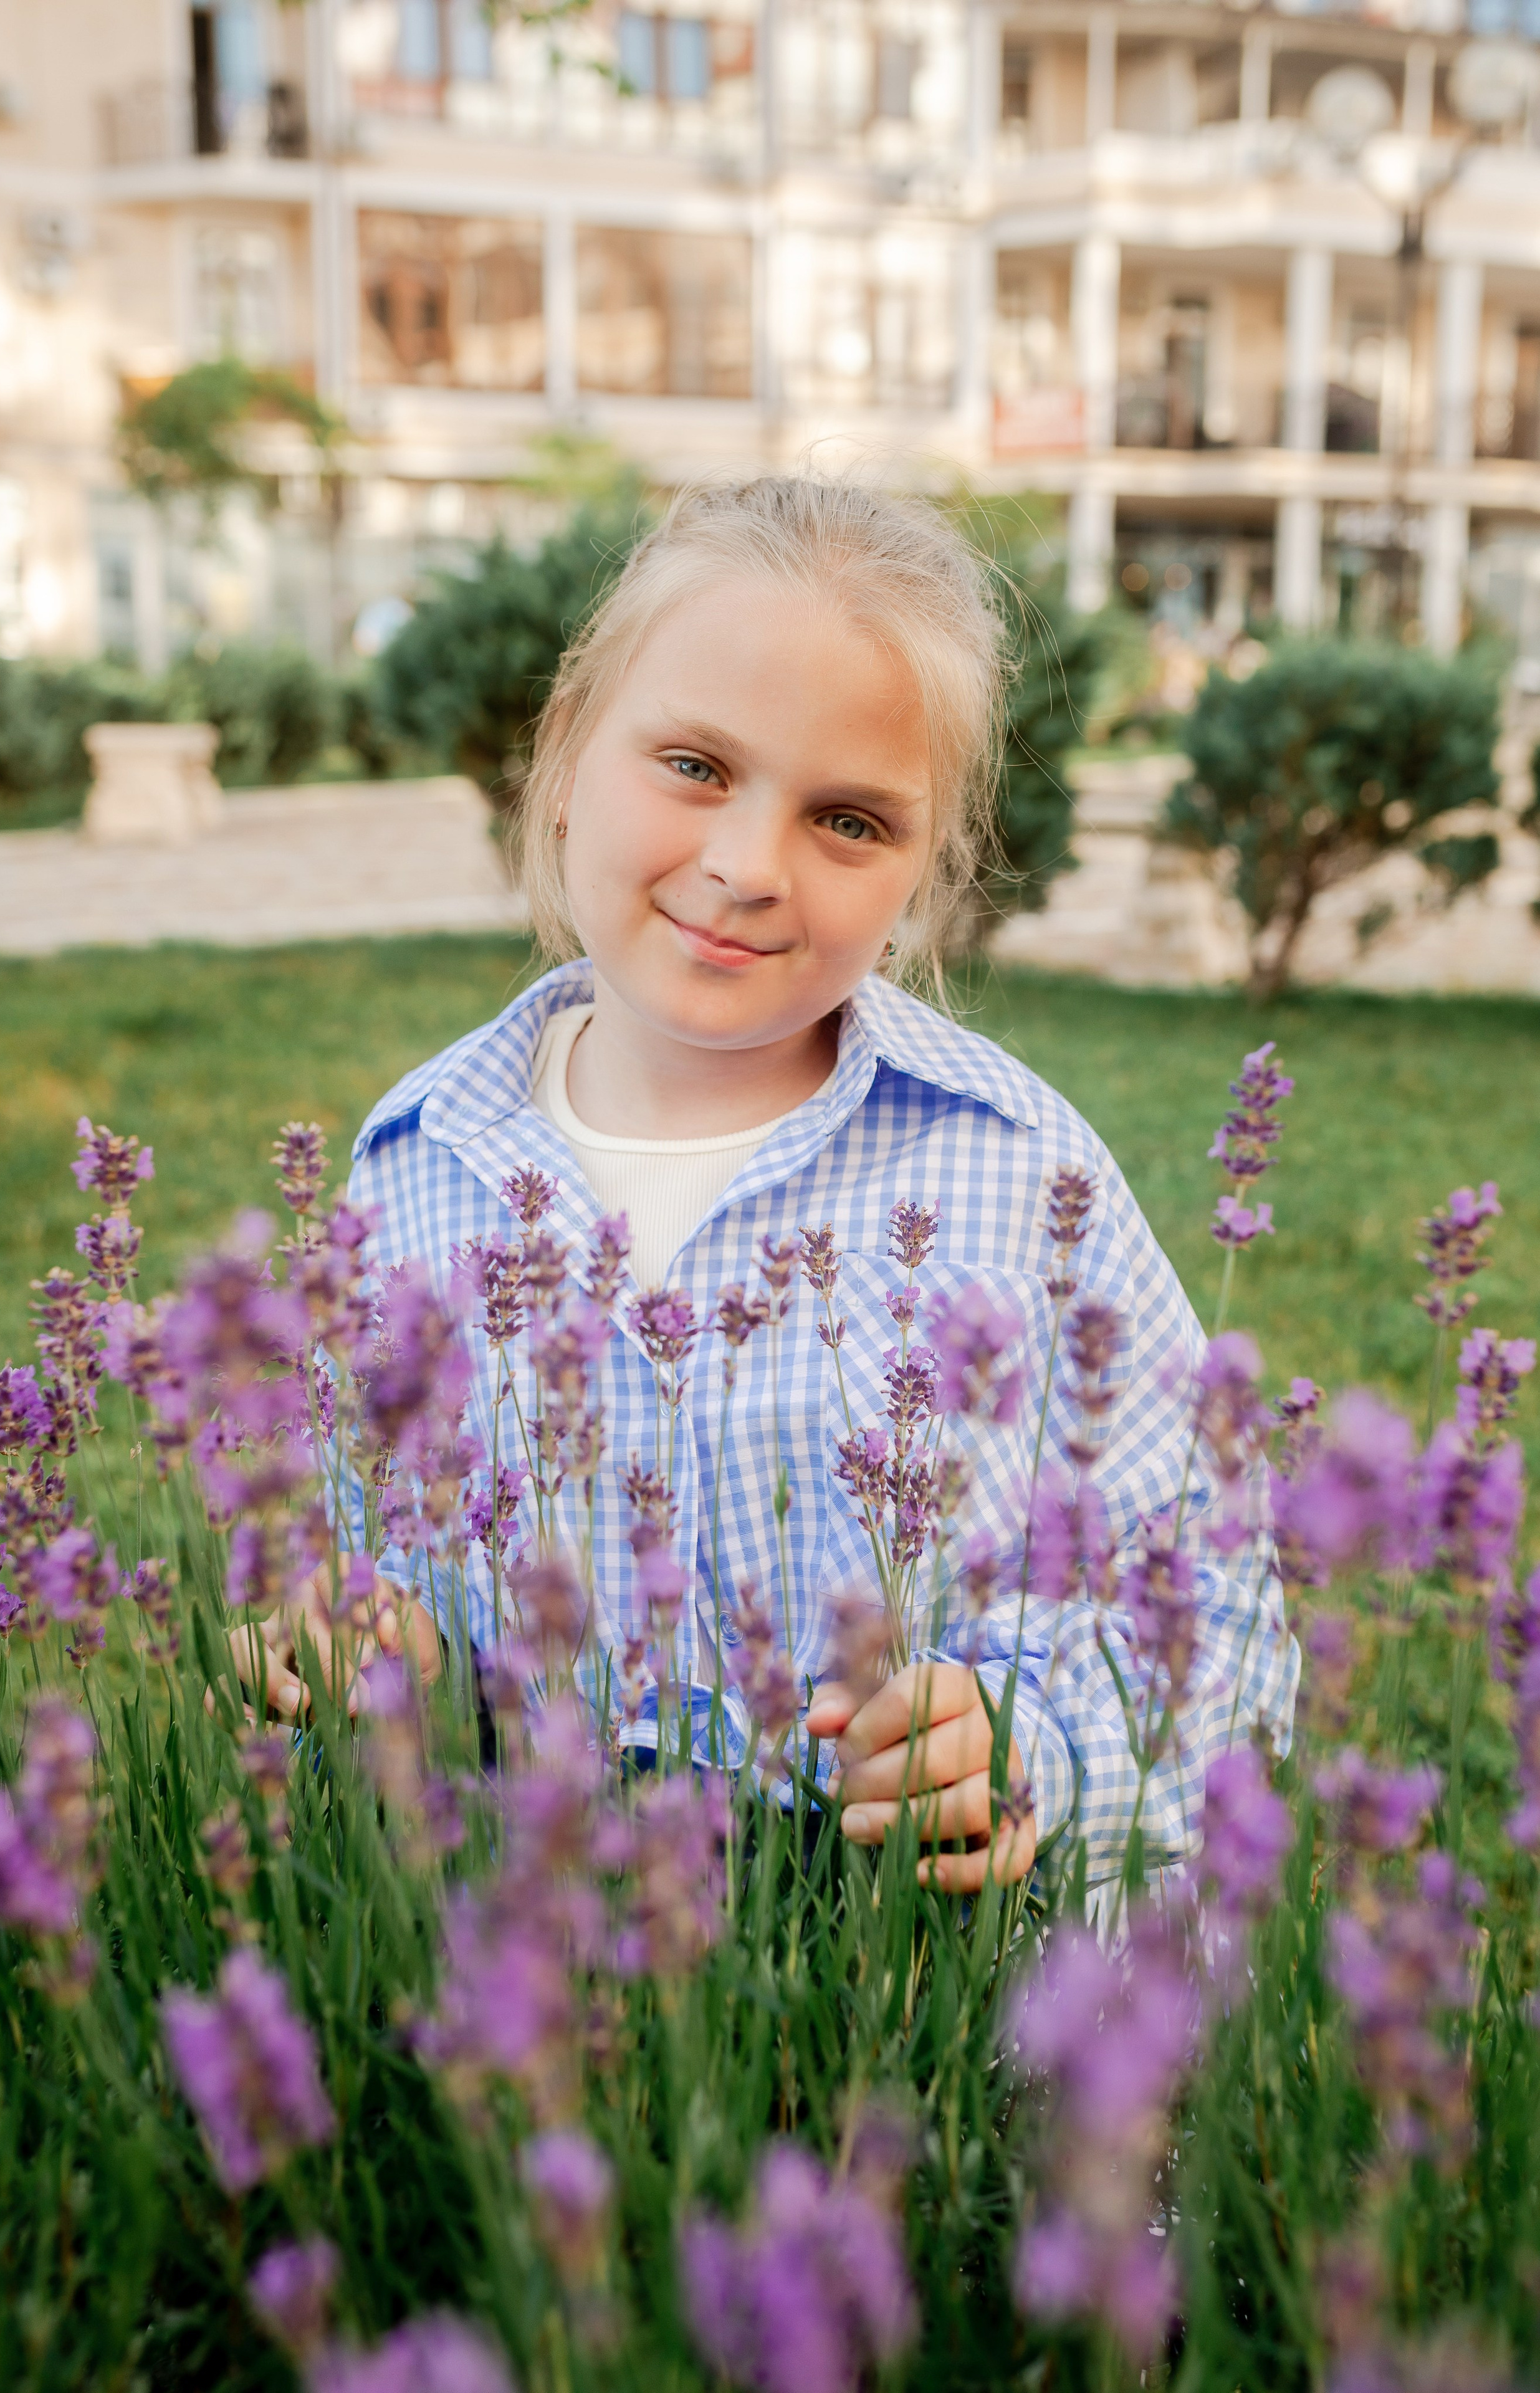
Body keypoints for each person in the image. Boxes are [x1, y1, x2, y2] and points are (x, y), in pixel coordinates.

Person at [236, 475, 1296, 1907]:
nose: (744, 867)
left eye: (848, 822)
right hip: (531, 1974)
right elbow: (361, 1557)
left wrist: (1027, 1750)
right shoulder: (418, 1164)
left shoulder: (1010, 1172)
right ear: (561, 765)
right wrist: (360, 1651)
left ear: (927, 875)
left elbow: (1217, 1609)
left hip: (922, 2000)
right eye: (691, 766)